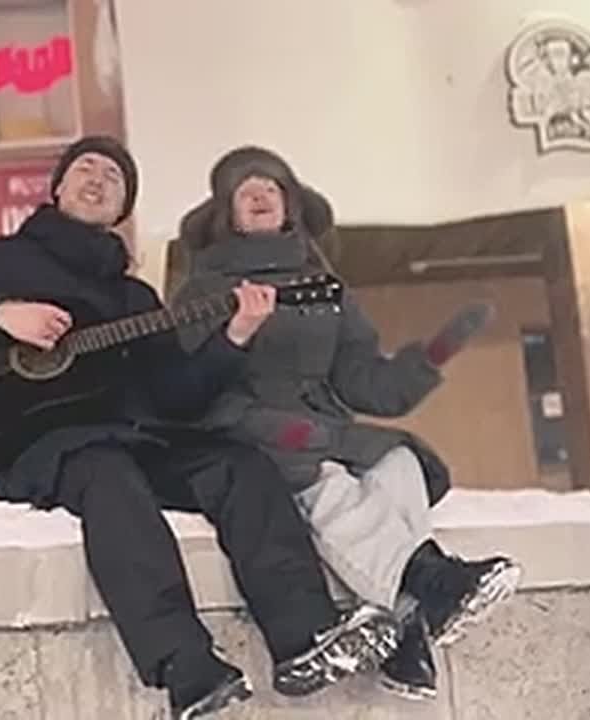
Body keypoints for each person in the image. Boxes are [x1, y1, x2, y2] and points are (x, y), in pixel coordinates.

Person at [0, 136, 399, 720]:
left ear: (122, 209)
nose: (98, 179)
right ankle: (186, 667)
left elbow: (175, 396)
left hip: (132, 438)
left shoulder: (134, 298)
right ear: (58, 188)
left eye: (115, 178)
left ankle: (305, 635)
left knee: (239, 466)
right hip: (42, 446)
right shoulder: (4, 261)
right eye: (86, 168)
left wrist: (235, 337)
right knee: (110, 477)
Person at [171, 146, 522, 702]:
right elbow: (191, 388)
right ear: (228, 214)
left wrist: (430, 357)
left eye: (271, 188)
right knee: (327, 481)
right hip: (250, 431)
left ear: (290, 206)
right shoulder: (202, 290)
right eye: (246, 191)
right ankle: (430, 584)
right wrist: (265, 401)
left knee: (398, 461)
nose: (260, 196)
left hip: (325, 426)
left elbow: (365, 384)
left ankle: (410, 621)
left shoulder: (326, 289)